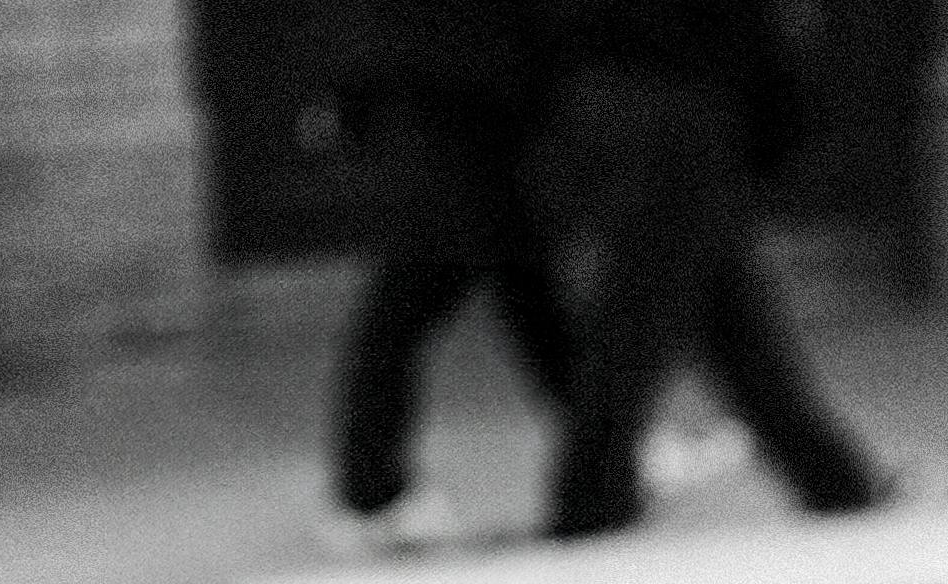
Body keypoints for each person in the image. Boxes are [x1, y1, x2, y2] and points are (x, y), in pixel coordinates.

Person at [540, 0, 904, 534]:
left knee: (729, 320)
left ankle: (836, 481)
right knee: (641, 320)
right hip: (674, 104)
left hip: (626, 97)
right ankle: (587, 507)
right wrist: (780, 125)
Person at [310, 0, 600, 550]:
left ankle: (605, 444)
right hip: (449, 145)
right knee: (407, 310)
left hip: (460, 142)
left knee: (528, 299)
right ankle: (370, 497)